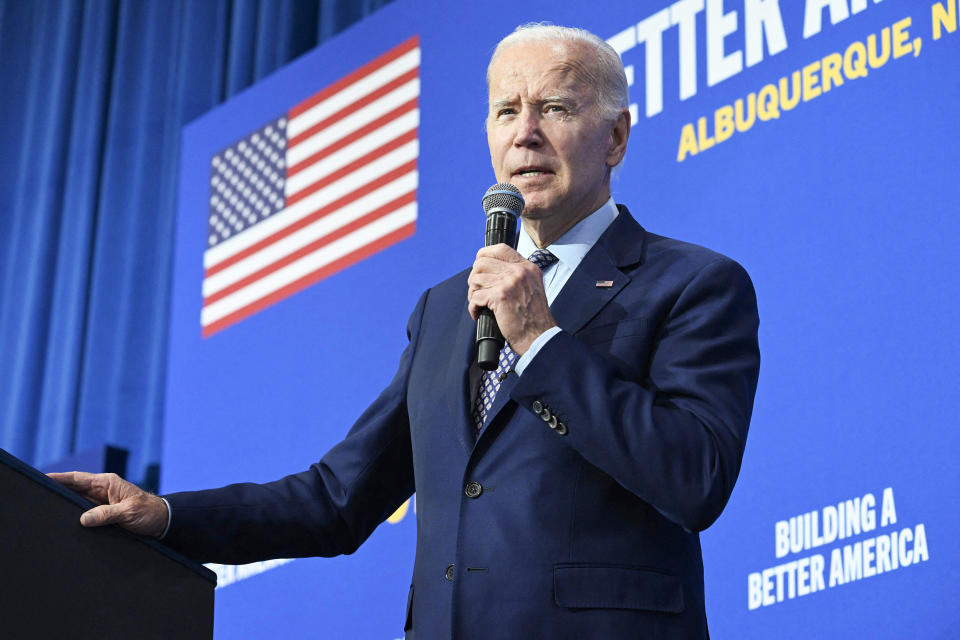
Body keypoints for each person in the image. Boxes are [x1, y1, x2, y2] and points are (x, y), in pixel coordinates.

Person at [51, 24, 760, 639]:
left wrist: (541, 341)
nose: (525, 133)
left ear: (616, 136)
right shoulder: (446, 308)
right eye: (506, 110)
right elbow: (336, 499)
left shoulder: (693, 284)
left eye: (554, 107)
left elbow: (693, 476)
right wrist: (169, 514)